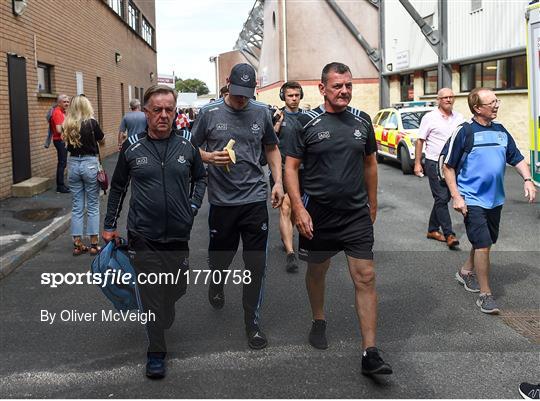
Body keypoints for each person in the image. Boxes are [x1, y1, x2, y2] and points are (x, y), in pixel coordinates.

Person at [285, 62, 392, 375]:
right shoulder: (305, 123)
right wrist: (298, 208)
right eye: (337, 86)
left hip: (355, 214)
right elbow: (291, 168)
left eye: (348, 85)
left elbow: (370, 164)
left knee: (365, 277)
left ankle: (370, 352)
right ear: (322, 89)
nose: (344, 91)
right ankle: (319, 319)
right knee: (318, 271)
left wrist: (372, 203)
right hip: (318, 215)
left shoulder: (362, 121)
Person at [102, 85, 207, 379]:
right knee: (151, 295)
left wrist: (192, 206)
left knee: (176, 288)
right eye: (157, 110)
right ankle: (156, 352)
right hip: (143, 235)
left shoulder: (187, 144)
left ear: (175, 112)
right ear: (146, 112)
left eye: (169, 110)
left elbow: (200, 178)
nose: (163, 115)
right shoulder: (132, 147)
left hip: (177, 234)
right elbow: (119, 187)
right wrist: (110, 224)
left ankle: (165, 310)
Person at [191, 63, 284, 350]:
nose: (241, 99)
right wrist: (208, 158)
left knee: (256, 264)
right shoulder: (209, 113)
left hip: (255, 199)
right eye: (237, 92)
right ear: (227, 82)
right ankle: (216, 283)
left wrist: (277, 182)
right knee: (221, 258)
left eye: (247, 93)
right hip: (222, 202)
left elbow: (271, 147)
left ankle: (252, 322)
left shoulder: (260, 112)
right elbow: (189, 149)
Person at [443, 88, 536, 314]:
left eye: (497, 101)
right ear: (477, 108)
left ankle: (465, 271)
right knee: (483, 244)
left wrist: (527, 178)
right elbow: (448, 166)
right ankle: (486, 295)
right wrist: (456, 197)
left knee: (486, 240)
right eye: (492, 102)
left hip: (495, 200)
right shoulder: (465, 132)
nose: (496, 105)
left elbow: (517, 158)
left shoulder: (501, 132)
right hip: (472, 199)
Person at [414, 88, 464, 250]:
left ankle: (432, 230)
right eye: (445, 97)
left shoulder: (459, 117)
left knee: (444, 198)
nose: (448, 100)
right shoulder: (430, 117)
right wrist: (417, 163)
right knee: (442, 198)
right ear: (438, 100)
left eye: (451, 97)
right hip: (434, 162)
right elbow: (420, 140)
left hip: (452, 164)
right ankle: (449, 234)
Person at [62, 95, 105, 255]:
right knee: (93, 205)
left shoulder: (67, 124)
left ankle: (78, 243)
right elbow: (102, 141)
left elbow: (65, 144)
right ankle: (94, 244)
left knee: (77, 206)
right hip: (90, 164)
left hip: (73, 164)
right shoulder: (92, 123)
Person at [271, 81, 305, 273]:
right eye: (290, 95)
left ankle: (287, 237)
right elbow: (268, 144)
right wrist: (276, 124)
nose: (293, 99)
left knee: (293, 209)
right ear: (283, 96)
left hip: (301, 170)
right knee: (285, 207)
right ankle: (291, 253)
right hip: (282, 170)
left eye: (296, 95)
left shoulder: (306, 118)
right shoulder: (276, 116)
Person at [50, 94, 70, 193]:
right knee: (62, 163)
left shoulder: (62, 112)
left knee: (63, 162)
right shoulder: (57, 112)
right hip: (59, 140)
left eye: (67, 102)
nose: (67, 103)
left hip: (63, 140)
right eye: (64, 102)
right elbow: (58, 129)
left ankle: (62, 185)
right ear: (59, 102)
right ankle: (60, 186)